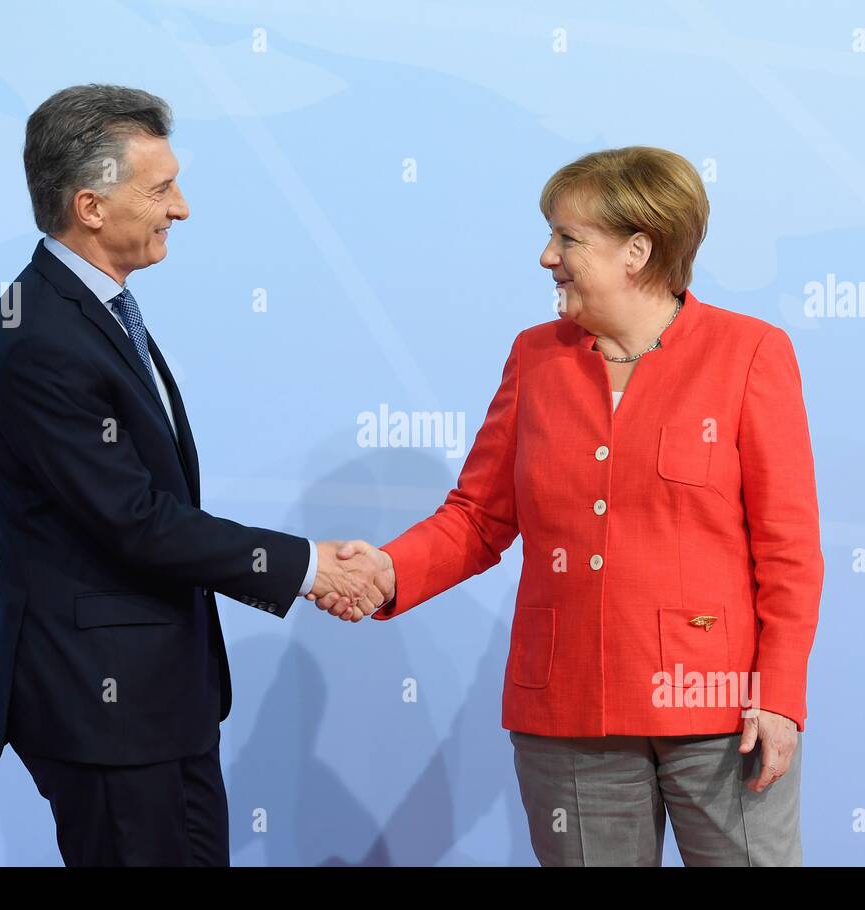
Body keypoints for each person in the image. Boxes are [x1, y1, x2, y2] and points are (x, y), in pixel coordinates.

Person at [312, 146, 824, 866]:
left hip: (721, 712)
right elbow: (479, 517)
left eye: (567, 238)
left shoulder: (749, 353)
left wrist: (780, 696)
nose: (546, 255)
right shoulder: (534, 357)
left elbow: (789, 548)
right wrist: (385, 570)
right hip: (568, 712)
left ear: (637, 251)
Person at [0, 84, 392, 866]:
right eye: (160, 189)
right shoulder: (42, 338)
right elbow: (133, 519)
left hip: (159, 702)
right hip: (105, 704)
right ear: (91, 206)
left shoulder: (91, 311)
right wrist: (303, 566)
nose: (183, 208)